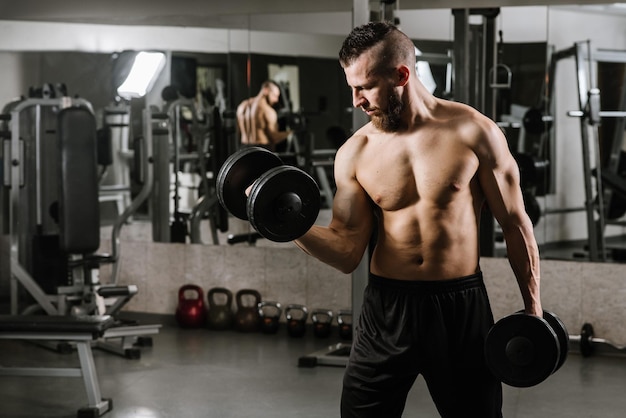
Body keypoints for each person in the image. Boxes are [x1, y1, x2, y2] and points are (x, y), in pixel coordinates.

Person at [293, 21, 541, 418]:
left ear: (402, 75)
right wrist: (291, 226)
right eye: (351, 87)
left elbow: (515, 223)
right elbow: (346, 252)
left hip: (459, 308)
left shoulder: (473, 132)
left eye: (365, 87)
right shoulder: (355, 153)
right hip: (387, 309)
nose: (356, 101)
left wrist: (534, 309)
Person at [236, 80, 292, 151]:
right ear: (266, 90)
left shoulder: (242, 106)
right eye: (275, 96)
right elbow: (274, 138)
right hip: (262, 150)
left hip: (243, 149)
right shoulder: (268, 111)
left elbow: (238, 133)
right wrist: (290, 132)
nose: (276, 100)